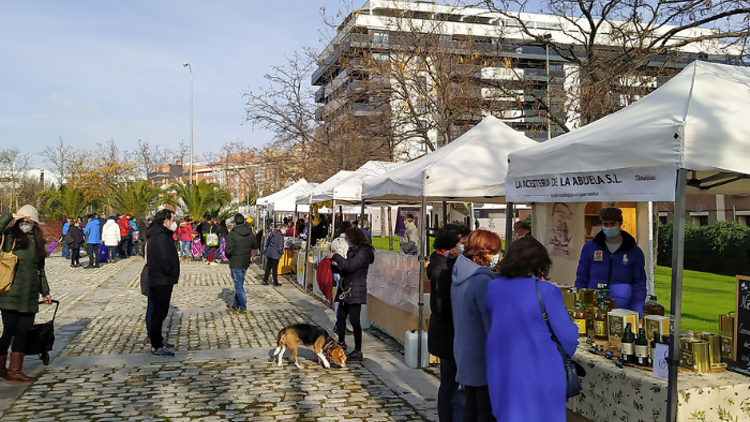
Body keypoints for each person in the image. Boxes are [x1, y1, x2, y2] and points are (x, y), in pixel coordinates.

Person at [485, 237, 579, 422]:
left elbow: (489, 322)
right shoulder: (546, 291)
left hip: (502, 365)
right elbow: (567, 336)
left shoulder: (493, 287)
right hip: (540, 368)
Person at [451, 229, 502, 422]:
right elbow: (492, 324)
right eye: (494, 252)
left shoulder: (461, 272)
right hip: (482, 354)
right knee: (485, 411)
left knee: (471, 406)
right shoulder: (481, 281)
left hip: (465, 350)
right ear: (484, 252)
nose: (496, 257)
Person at [0, 205, 52, 382]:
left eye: (30, 219)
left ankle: (15, 370)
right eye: (23, 219)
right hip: (10, 293)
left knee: (23, 332)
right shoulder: (9, 236)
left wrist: (45, 291)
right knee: (8, 332)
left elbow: (40, 270)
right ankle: (1, 368)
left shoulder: (38, 239)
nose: (26, 222)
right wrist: (9, 216)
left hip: (29, 295)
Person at [428, 224, 470, 422]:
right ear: (452, 244)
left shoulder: (445, 261)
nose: (464, 246)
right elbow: (442, 306)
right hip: (449, 333)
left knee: (450, 382)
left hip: (448, 333)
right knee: (449, 383)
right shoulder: (443, 268)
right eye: (462, 243)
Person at [575, 207, 647, 315]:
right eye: (605, 224)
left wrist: (637, 311)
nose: (609, 227)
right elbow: (581, 278)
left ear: (620, 223)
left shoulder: (634, 251)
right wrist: (579, 302)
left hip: (622, 308)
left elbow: (639, 284)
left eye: (612, 224)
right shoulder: (590, 248)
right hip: (595, 307)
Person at [326, 226, 375, 362]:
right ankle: (341, 342)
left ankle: (358, 350)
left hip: (355, 290)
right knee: (340, 317)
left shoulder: (363, 252)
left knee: (354, 321)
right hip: (345, 287)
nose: (347, 242)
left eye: (348, 239)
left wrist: (335, 256)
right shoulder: (353, 250)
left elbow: (351, 266)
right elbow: (345, 268)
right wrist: (332, 266)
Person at [144, 209, 180, 357]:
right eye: (172, 219)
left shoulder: (160, 235)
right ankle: (156, 345)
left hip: (161, 278)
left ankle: (158, 339)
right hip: (161, 279)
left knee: (160, 312)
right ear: (165, 221)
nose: (174, 223)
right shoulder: (160, 237)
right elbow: (165, 259)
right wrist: (172, 271)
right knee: (158, 313)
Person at [225, 214, 259, 314]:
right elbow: (255, 244)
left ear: (235, 222)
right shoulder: (249, 232)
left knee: (239, 286)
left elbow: (228, 249)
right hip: (245, 261)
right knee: (240, 284)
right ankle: (236, 305)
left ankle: (243, 307)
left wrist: (228, 256)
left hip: (235, 262)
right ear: (244, 221)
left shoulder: (233, 233)